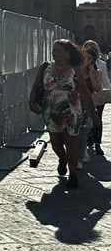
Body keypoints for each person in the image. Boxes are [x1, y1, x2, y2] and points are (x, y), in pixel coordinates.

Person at [28, 39, 98, 189]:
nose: (55, 53)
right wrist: (31, 100)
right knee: (56, 143)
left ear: (67, 53)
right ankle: (63, 159)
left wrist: (93, 110)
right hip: (51, 110)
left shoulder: (75, 68)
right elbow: (36, 85)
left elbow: (84, 90)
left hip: (72, 109)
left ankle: (72, 176)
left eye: (58, 50)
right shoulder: (45, 67)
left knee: (70, 141)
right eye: (54, 50)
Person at [84, 40, 109, 156]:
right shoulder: (79, 65)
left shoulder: (101, 64)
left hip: (98, 97)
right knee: (86, 119)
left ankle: (97, 143)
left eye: (92, 48)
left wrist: (108, 93)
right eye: (87, 48)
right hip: (84, 97)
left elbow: (105, 82)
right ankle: (88, 139)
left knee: (97, 118)